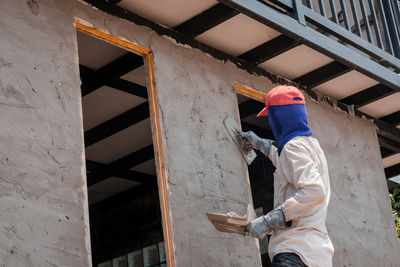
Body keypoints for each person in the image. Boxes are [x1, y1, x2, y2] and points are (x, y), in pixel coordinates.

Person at [240, 85, 334, 267]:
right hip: (316, 254)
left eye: (271, 117)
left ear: (279, 117)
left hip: (294, 250)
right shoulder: (311, 146)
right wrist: (259, 143)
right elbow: (286, 161)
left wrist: (270, 220)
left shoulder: (293, 148)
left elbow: (314, 191)